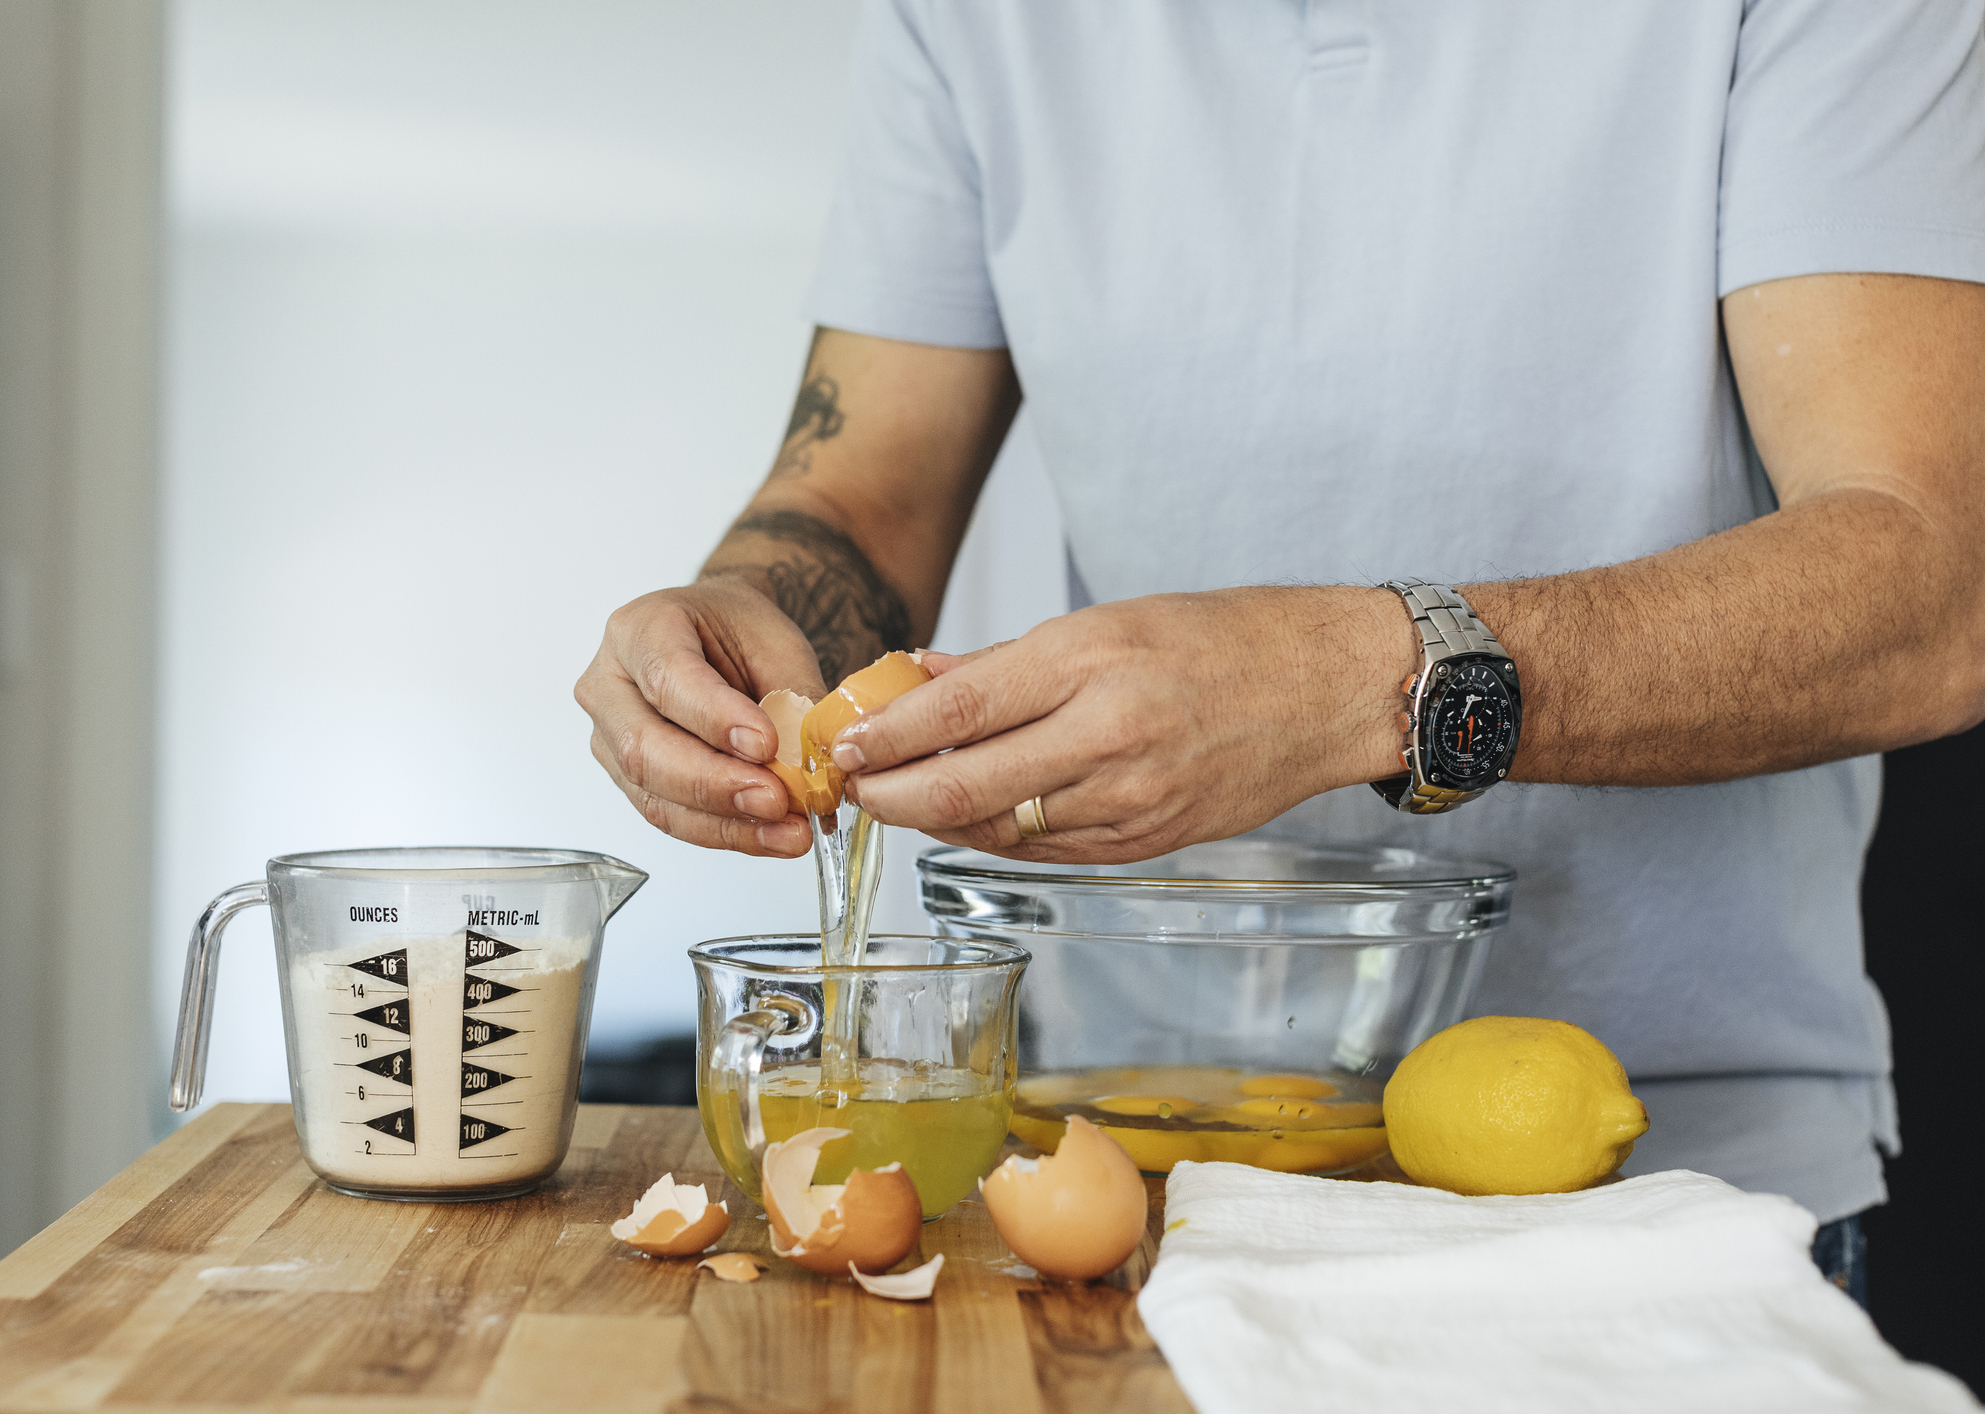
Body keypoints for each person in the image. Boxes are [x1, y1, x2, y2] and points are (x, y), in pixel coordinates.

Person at [576, 1, 1985, 1304]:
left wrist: (1357, 680)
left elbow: (1937, 583)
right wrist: (750, 607)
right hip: (1139, 1159)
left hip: (1679, 1179)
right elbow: (853, 503)